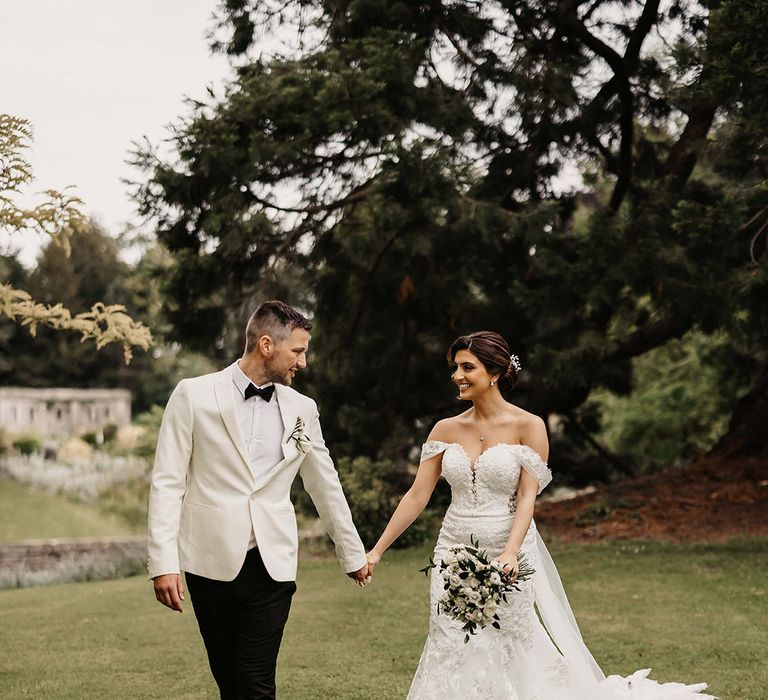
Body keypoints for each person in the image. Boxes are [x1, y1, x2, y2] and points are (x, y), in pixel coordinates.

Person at [366, 330, 713, 699]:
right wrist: (377, 550)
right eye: (455, 367)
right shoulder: (444, 429)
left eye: (468, 367)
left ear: (495, 372)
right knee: (450, 639)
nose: (457, 375)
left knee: (508, 640)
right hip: (452, 549)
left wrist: (512, 551)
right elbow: (417, 495)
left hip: (509, 547)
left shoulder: (529, 426)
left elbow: (528, 499)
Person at [147, 300, 370, 700]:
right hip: (208, 559)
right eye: (298, 351)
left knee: (254, 682)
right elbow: (167, 481)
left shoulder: (303, 409)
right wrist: (163, 564)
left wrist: (352, 554)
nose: (303, 362)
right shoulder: (193, 395)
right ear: (266, 345)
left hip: (273, 564)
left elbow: (324, 484)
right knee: (229, 681)